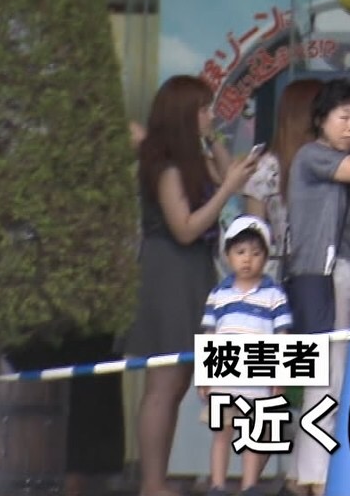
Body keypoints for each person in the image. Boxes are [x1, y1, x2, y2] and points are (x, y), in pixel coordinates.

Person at [122, 75, 260, 496]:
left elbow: (229, 176)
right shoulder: (165, 166)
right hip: (169, 270)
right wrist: (227, 190)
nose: (209, 114)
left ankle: (158, 480)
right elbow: (184, 228)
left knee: (179, 381)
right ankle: (151, 484)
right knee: (164, 383)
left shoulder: (190, 157)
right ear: (183, 114)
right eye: (202, 109)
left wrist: (213, 138)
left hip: (193, 269)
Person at [286, 79, 350, 495]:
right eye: (344, 117)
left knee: (332, 375)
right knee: (325, 377)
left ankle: (306, 473)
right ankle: (316, 477)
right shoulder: (314, 155)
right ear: (320, 120)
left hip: (333, 274)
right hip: (319, 276)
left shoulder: (328, 161)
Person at [198, 215, 292, 496]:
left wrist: (280, 378)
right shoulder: (218, 294)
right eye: (240, 252)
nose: (248, 259)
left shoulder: (274, 294)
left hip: (259, 379)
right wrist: (204, 376)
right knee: (222, 433)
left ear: (266, 257)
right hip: (223, 379)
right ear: (228, 256)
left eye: (256, 253)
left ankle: (249, 486)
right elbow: (209, 336)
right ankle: (217, 485)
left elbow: (282, 337)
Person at [243, 78, 324, 283]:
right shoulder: (266, 169)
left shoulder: (264, 168)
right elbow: (254, 237)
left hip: (300, 275)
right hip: (291, 278)